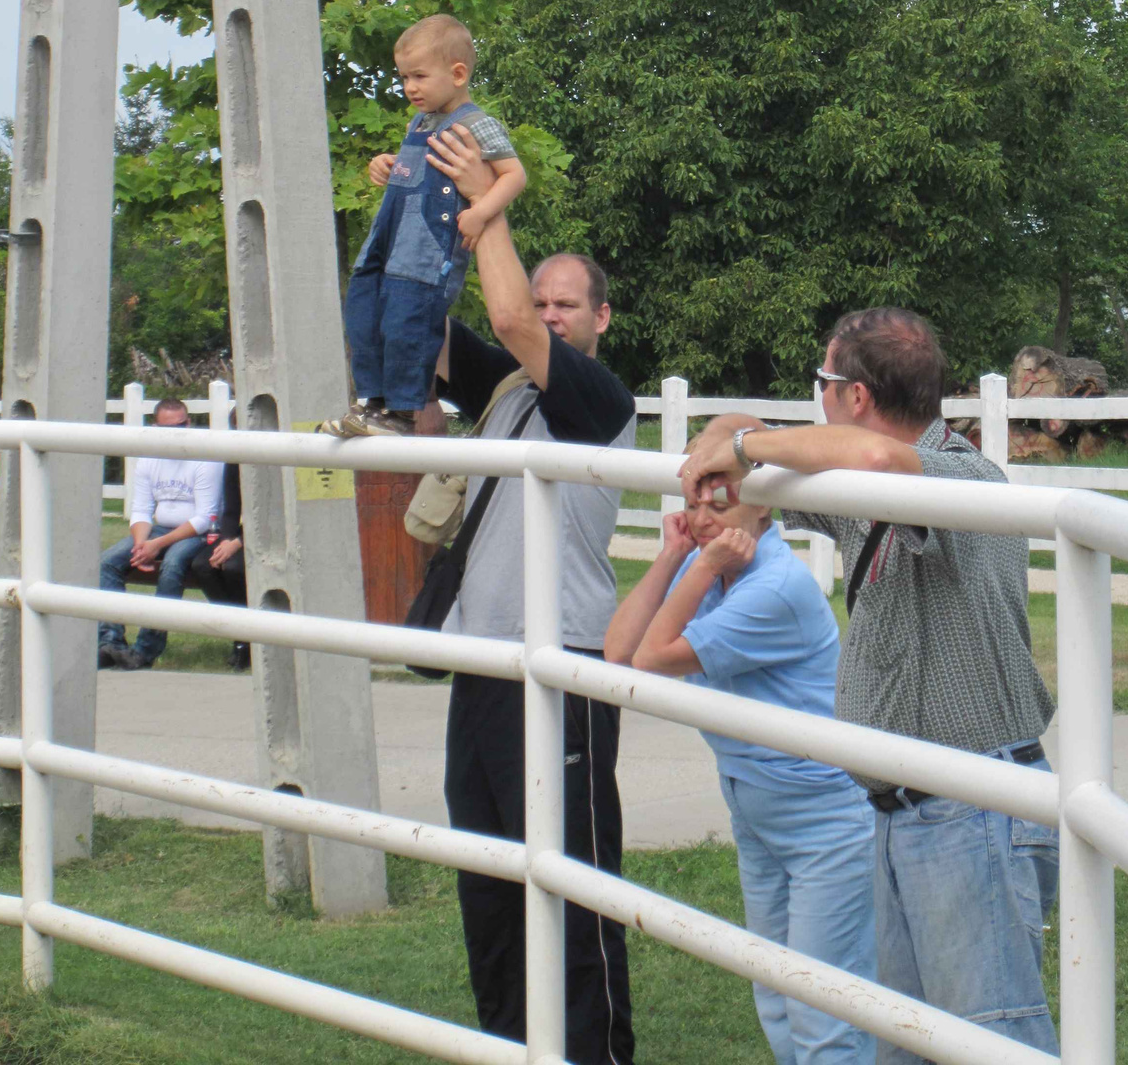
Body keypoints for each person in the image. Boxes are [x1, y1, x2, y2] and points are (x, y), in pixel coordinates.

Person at [679, 308, 1059, 1063]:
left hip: (973, 810)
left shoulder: (961, 474)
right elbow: (750, 440)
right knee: (906, 1047)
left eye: (822, 383)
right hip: (904, 813)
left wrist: (743, 446)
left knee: (994, 1046)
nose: (814, 397)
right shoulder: (860, 482)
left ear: (854, 398)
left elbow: (870, 461)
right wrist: (726, 440)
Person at [423, 121, 636, 1065]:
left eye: (566, 304)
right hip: (484, 657)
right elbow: (421, 328)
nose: (545, 315)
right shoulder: (506, 389)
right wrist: (419, 209)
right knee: (491, 883)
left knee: (574, 887)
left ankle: (593, 1054)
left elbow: (507, 321)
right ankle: (510, 1047)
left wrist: (491, 202)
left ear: (598, 321)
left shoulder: (598, 397)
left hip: (562, 665)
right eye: (540, 301)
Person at [606, 495, 876, 1065]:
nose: (702, 518)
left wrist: (700, 564)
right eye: (692, 503)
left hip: (824, 815)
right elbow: (619, 650)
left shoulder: (771, 586)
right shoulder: (713, 564)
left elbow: (652, 658)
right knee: (775, 993)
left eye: (719, 502)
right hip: (756, 806)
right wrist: (675, 554)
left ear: (761, 505)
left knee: (821, 1007)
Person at [322, 13, 526, 438]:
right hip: (391, 237)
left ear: (457, 74)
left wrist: (481, 210)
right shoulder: (420, 121)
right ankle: (371, 402)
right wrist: (388, 165)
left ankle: (400, 412)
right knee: (363, 308)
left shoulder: (475, 123)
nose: (409, 87)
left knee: (406, 322)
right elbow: (419, 170)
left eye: (418, 76)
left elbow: (514, 175)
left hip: (427, 249)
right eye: (403, 78)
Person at [98, 398, 225, 670]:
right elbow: (141, 510)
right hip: (159, 529)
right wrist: (142, 545)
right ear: (155, 427)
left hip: (198, 533)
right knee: (106, 563)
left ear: (189, 422)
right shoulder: (148, 458)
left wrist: (158, 544)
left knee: (172, 564)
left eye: (182, 425)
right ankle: (110, 643)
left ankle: (145, 650)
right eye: (170, 427)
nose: (178, 431)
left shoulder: (206, 456)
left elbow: (205, 517)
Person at [189, 460, 250, 671]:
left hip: (268, 531)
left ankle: (248, 638)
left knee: (234, 569)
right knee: (202, 566)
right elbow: (232, 509)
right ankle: (239, 634)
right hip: (239, 534)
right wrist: (226, 539)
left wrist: (238, 542)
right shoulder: (234, 460)